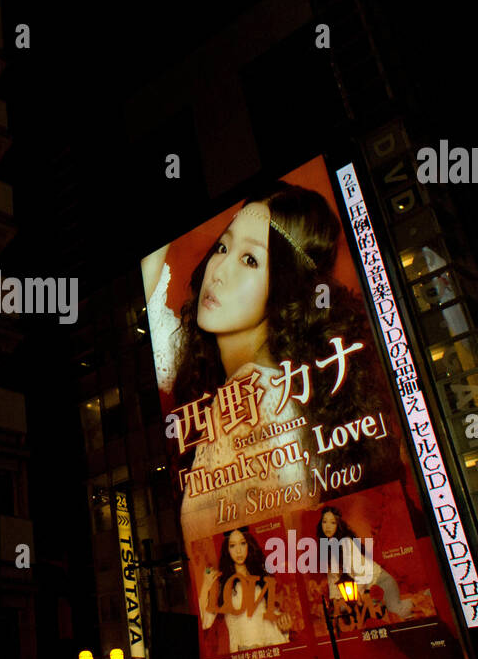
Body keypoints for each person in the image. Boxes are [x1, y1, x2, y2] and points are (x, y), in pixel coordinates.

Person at [143, 183, 389, 542]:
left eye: (250, 259)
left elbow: (277, 547)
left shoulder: (255, 398)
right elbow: (147, 314)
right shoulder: (268, 386)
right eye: (223, 247)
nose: (219, 270)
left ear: (286, 288)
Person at [199, 528, 292, 652]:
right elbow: (204, 622)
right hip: (247, 650)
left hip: (273, 645)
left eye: (243, 543)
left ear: (249, 545)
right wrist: (206, 585)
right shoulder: (222, 583)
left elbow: (268, 614)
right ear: (227, 549)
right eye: (232, 545)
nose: (238, 550)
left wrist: (284, 626)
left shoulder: (262, 575)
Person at [317, 506, 414, 620]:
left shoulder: (347, 543)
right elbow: (333, 578)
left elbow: (362, 574)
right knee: (345, 614)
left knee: (397, 613)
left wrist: (357, 595)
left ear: (338, 525)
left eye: (332, 523)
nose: (327, 526)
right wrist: (335, 601)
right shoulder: (326, 548)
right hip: (363, 593)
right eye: (324, 522)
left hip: (381, 582)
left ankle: (419, 599)